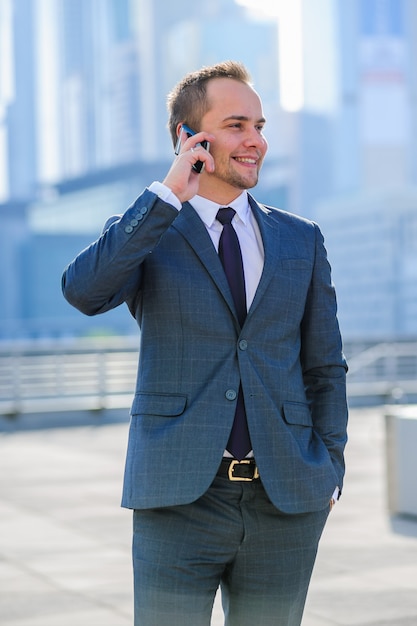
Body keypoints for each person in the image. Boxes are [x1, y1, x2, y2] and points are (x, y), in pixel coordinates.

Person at [62, 60, 348, 626]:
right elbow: (84, 292)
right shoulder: (151, 229)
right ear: (188, 137)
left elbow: (324, 365)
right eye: (237, 124)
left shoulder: (300, 238)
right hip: (178, 495)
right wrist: (169, 194)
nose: (256, 141)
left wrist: (330, 466)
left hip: (286, 496)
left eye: (260, 126)